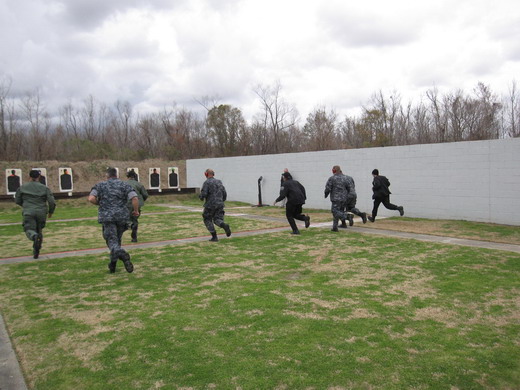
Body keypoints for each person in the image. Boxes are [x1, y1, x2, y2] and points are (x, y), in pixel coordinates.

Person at [88, 167, 139, 273]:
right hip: (121, 217)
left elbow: (91, 198)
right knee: (117, 241)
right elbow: (134, 198)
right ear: (117, 175)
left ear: (107, 175)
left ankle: (122, 255)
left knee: (111, 241)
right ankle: (113, 265)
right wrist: (136, 211)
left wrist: (100, 203)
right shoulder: (125, 185)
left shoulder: (100, 185)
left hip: (107, 217)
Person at [15, 170, 56, 259]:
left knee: (29, 229)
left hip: (28, 211)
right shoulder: (44, 188)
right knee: (39, 229)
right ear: (39, 177)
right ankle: (36, 250)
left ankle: (34, 237)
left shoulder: (22, 187)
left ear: (29, 177)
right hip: (41, 212)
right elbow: (52, 201)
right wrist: (51, 211)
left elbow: (17, 200)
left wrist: (25, 205)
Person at [199, 169, 231, 241]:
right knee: (217, 219)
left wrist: (201, 197)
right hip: (220, 204)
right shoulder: (219, 182)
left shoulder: (207, 182)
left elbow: (204, 194)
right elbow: (224, 193)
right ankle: (224, 225)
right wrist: (222, 201)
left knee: (207, 219)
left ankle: (214, 237)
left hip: (210, 205)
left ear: (206, 174)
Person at [324, 165, 351, 232]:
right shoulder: (346, 178)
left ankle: (347, 217)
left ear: (334, 170)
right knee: (340, 211)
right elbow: (349, 187)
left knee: (334, 211)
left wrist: (326, 194)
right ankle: (335, 227)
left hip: (336, 198)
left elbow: (328, 188)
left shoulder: (332, 178)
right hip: (344, 198)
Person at [126, 170, 148, 242]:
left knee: (126, 219)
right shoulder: (139, 184)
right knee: (135, 219)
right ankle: (134, 237)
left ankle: (130, 225)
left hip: (127, 204)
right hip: (137, 204)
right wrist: (141, 201)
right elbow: (145, 195)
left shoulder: (123, 184)